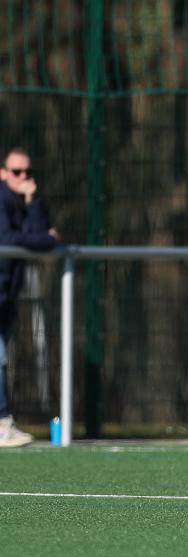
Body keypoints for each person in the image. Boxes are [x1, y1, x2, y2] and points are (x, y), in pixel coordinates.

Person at [0, 148, 58, 447]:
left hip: (7, 295)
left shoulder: (26, 200)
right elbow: (8, 239)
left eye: (27, 172)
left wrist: (33, 202)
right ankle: (2, 422)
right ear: (3, 172)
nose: (23, 178)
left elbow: (45, 240)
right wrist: (43, 238)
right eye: (16, 172)